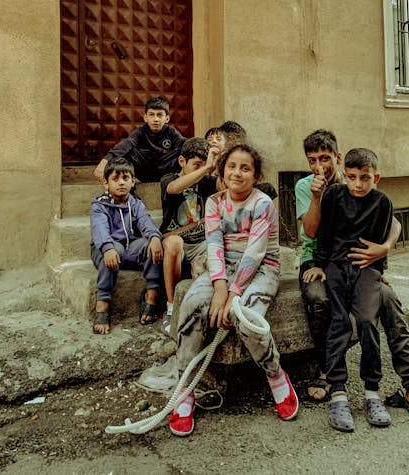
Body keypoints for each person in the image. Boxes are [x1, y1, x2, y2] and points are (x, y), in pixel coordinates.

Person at [297, 129, 409, 428]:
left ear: (337, 159)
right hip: (324, 263)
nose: (319, 166)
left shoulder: (368, 190)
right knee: (324, 305)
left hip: (367, 266)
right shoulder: (312, 187)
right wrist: (316, 196)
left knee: (384, 306)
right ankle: (329, 376)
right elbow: (314, 233)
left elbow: (391, 223)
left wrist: (382, 255)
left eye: (325, 159)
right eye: (312, 160)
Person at [169, 144, 299, 436]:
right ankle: (184, 388)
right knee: (192, 306)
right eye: (231, 166)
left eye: (245, 168)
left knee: (246, 317)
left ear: (255, 175)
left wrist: (232, 294)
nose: (237, 173)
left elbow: (255, 252)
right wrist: (218, 288)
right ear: (222, 170)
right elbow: (213, 243)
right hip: (221, 268)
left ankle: (276, 375)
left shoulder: (262, 203)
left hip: (262, 268)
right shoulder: (214, 202)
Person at [313, 148, 393, 431]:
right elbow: (324, 233)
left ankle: (372, 393)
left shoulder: (383, 202)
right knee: (338, 323)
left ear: (376, 177)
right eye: (352, 177)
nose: (358, 184)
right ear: (344, 175)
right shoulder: (334, 195)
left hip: (366, 269)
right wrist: (320, 264)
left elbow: (382, 240)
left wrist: (378, 272)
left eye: (365, 178)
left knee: (368, 322)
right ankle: (338, 393)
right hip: (336, 265)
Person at [90, 158, 164, 335]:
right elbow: (100, 229)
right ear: (106, 184)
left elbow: (146, 222)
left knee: (151, 246)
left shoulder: (135, 204)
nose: (121, 182)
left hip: (130, 248)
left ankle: (151, 296)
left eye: (125, 178)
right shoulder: (99, 205)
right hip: (106, 250)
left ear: (133, 181)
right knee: (115, 249)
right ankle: (103, 304)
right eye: (115, 179)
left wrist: (154, 237)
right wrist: (107, 247)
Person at [160, 137, 219, 335]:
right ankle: (171, 307)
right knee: (174, 243)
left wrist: (220, 161)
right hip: (179, 243)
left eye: (204, 165)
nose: (201, 170)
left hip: (202, 243)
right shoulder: (168, 179)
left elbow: (226, 186)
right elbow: (174, 188)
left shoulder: (208, 181)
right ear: (182, 161)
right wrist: (206, 168)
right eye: (196, 165)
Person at [93, 97, 185, 185]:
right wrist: (105, 161)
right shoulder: (140, 132)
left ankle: (183, 178)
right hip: (144, 172)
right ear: (145, 118)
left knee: (184, 150)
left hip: (166, 172)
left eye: (160, 115)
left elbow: (185, 144)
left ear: (167, 119)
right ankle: (126, 186)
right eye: (151, 115)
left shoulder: (171, 132)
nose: (156, 119)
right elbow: (126, 144)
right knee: (127, 151)